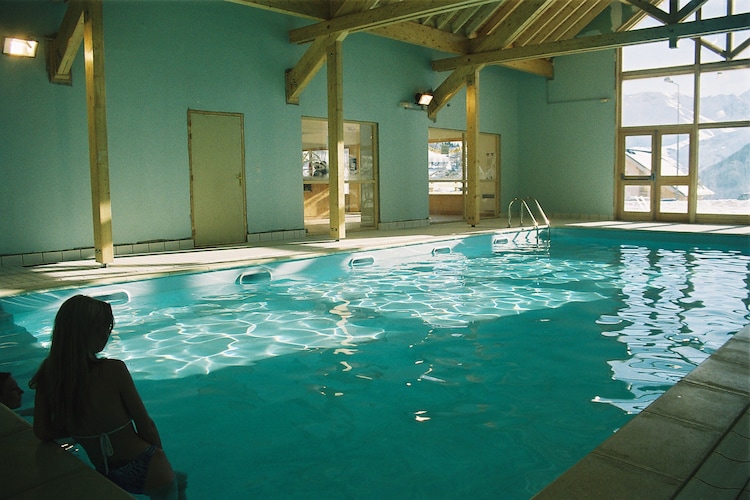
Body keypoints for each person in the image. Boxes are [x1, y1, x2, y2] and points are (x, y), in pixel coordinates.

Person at [30, 295, 187, 499]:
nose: (107, 333)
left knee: (180, 480)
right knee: (175, 482)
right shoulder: (113, 370)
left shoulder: (47, 376)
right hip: (148, 465)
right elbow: (146, 424)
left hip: (106, 472)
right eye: (105, 327)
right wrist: (160, 456)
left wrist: (77, 428)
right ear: (88, 332)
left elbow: (42, 430)